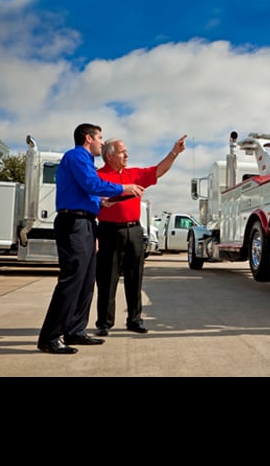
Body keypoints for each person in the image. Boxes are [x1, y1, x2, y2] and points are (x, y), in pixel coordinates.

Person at [37, 123, 145, 354]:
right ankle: (49, 336)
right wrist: (123, 188)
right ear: (88, 138)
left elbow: (88, 194)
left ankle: (75, 330)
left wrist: (101, 204)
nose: (101, 142)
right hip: (72, 223)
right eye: (100, 138)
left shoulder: (86, 160)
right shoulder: (76, 155)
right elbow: (91, 184)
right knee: (73, 278)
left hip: (85, 223)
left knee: (87, 280)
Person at [94, 133, 187, 336]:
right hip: (109, 231)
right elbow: (96, 199)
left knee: (135, 277)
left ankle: (134, 320)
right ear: (109, 156)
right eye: (122, 152)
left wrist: (174, 152)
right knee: (107, 279)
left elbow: (158, 170)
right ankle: (104, 322)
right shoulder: (97, 177)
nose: (127, 155)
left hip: (134, 230)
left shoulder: (133, 173)